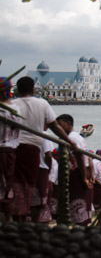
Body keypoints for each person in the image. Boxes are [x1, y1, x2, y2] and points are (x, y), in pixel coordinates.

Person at [11, 76, 77, 222]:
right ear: (33, 90)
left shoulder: (12, 104)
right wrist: (70, 141)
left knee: (17, 185)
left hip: (15, 148)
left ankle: (18, 220)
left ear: (17, 90)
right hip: (32, 149)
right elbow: (54, 126)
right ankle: (24, 220)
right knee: (28, 185)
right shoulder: (42, 103)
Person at [56, 114, 94, 225]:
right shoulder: (79, 137)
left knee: (76, 200)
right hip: (83, 170)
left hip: (78, 171)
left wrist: (84, 177)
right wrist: (91, 175)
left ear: (68, 124)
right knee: (82, 200)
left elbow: (80, 158)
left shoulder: (71, 138)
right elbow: (89, 158)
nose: (58, 128)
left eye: (60, 125)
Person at [0, 76, 21, 222]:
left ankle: (7, 220)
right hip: (11, 152)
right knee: (7, 188)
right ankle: (7, 219)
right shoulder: (16, 109)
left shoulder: (5, 110)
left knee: (5, 189)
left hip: (3, 151)